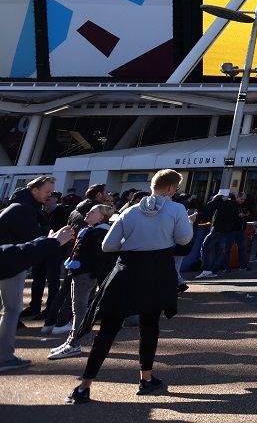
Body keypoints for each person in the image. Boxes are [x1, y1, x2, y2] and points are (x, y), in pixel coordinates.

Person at [66, 169, 192, 404]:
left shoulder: (130, 211)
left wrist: (132, 243)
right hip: (156, 272)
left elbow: (108, 245)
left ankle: (84, 386)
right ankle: (146, 378)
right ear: (172, 188)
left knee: (108, 330)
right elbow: (184, 239)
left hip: (126, 270)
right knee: (149, 325)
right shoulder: (177, 209)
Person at [0, 175, 58, 371]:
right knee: (12, 310)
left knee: (10, 310)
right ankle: (5, 357)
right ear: (35, 191)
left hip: (9, 261)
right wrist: (51, 239)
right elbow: (34, 240)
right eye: (47, 192)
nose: (49, 196)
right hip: (11, 264)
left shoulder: (19, 206)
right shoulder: (23, 210)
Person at [48, 204, 117, 360]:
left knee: (79, 311)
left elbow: (98, 258)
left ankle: (74, 344)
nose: (87, 213)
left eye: (92, 212)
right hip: (79, 273)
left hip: (84, 275)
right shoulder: (92, 229)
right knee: (77, 310)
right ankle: (72, 342)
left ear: (101, 217)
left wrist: (91, 274)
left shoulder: (99, 232)